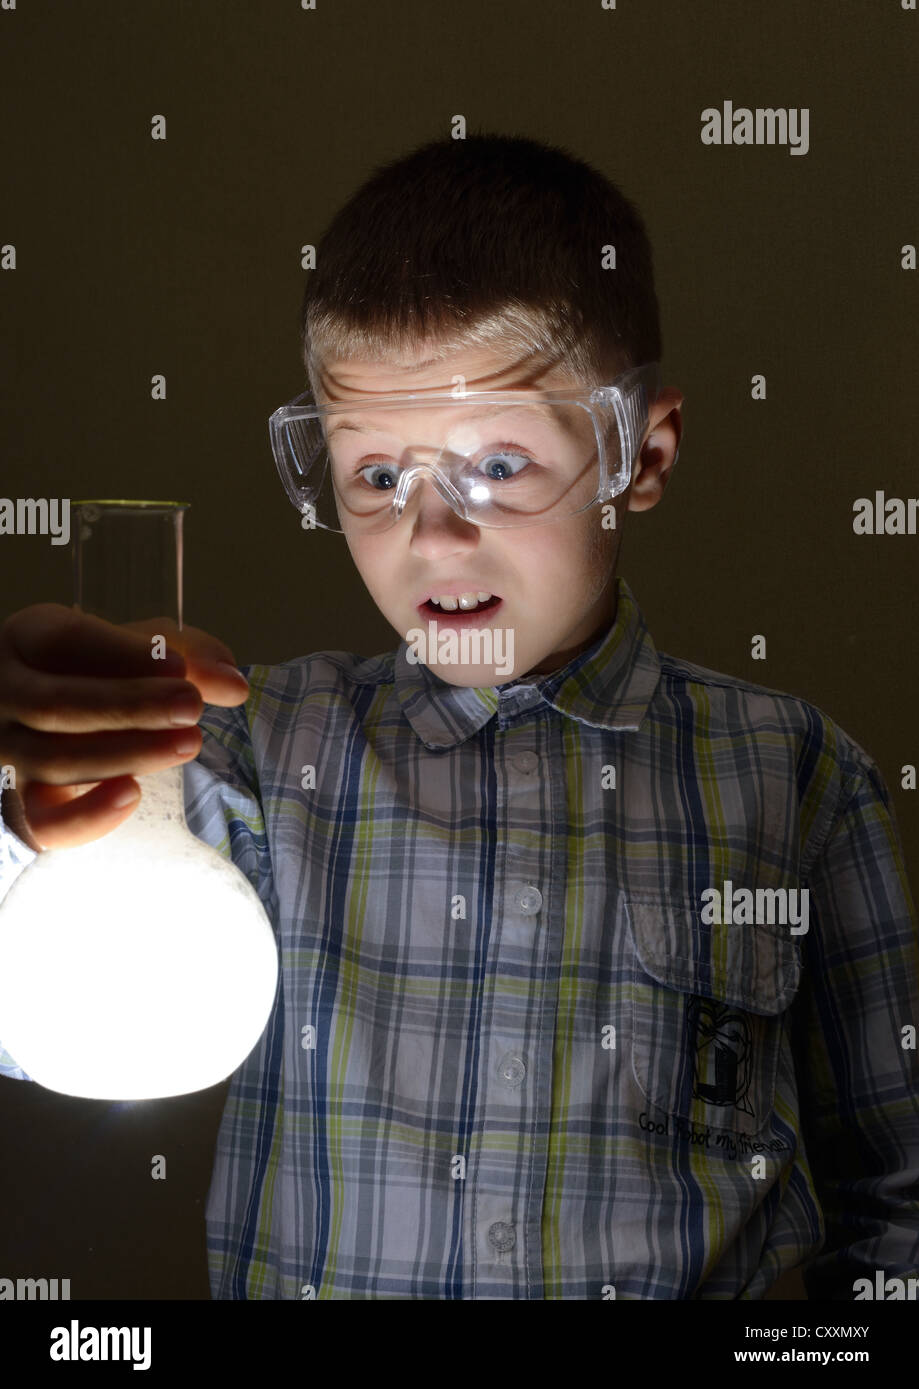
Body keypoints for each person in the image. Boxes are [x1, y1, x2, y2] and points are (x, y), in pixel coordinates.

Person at [1, 133, 917, 1301]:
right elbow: (29, 1022)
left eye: (497, 463)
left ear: (641, 451)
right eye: (376, 475)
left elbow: (893, 1204)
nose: (432, 535)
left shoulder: (798, 778)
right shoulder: (249, 755)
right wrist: (37, 796)